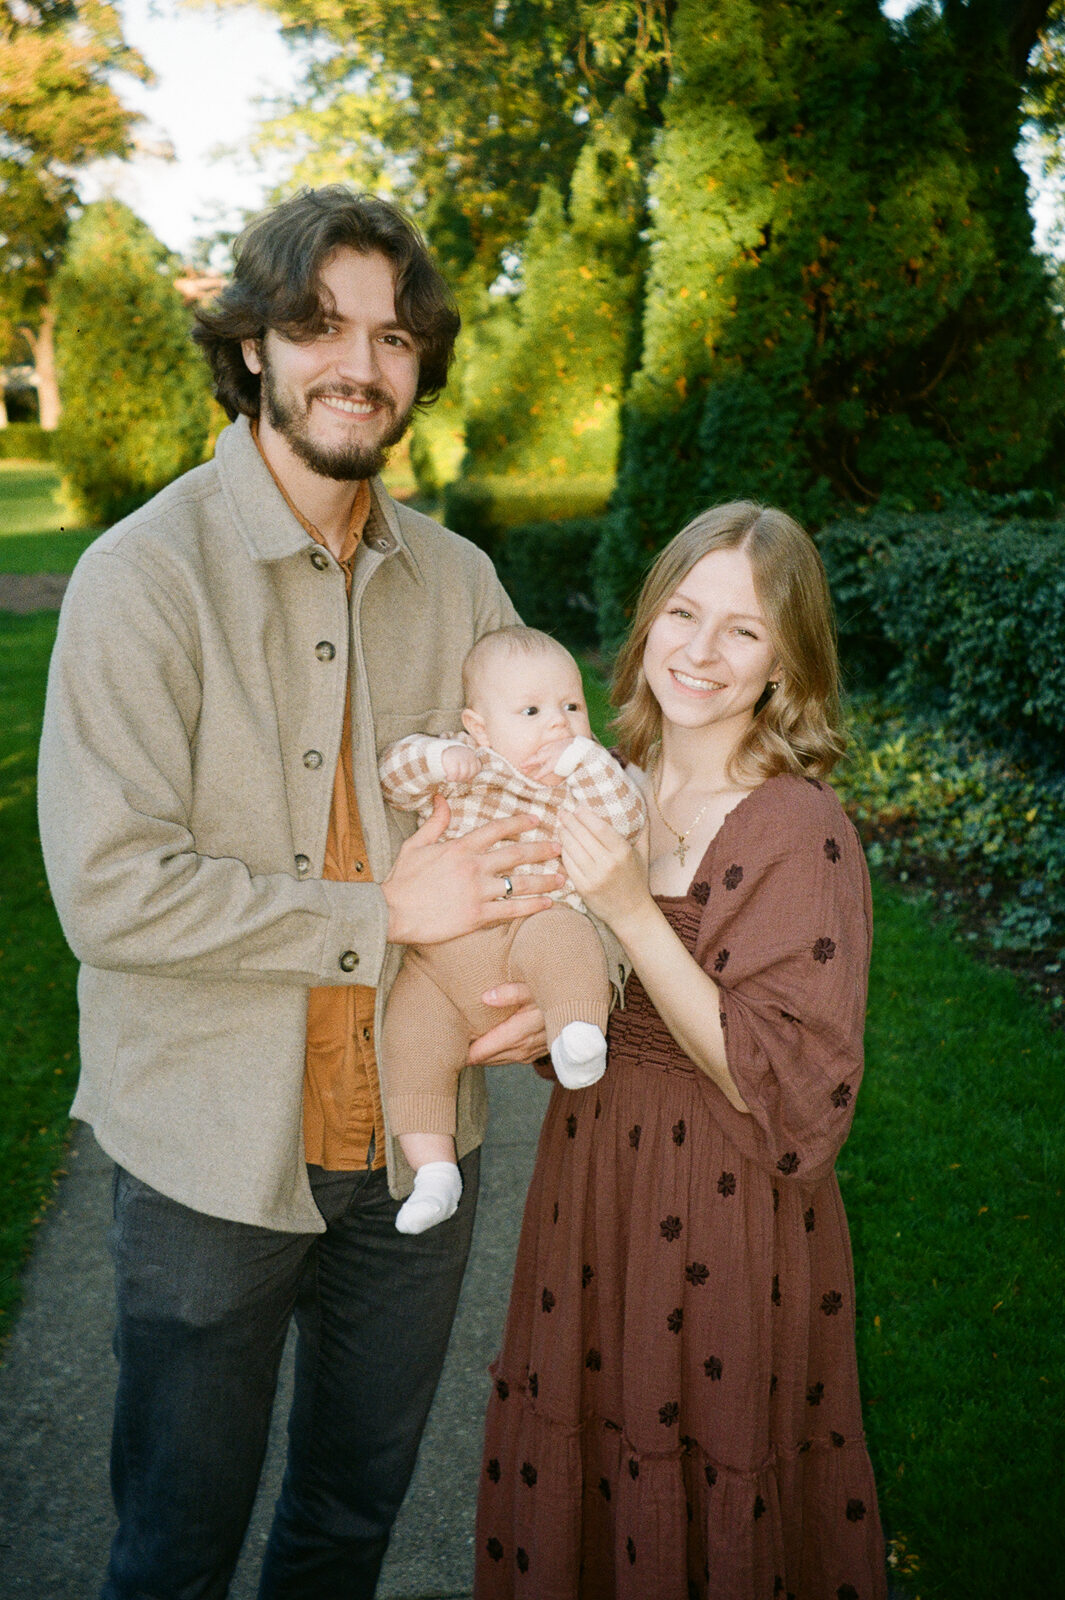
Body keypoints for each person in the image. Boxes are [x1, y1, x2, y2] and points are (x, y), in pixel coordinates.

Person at [36, 186, 589, 1600]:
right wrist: (376, 919)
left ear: (420, 367)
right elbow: (110, 892)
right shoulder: (141, 579)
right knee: (173, 1548)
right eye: (318, 326)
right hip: (209, 1161)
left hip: (414, 1160)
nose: (359, 363)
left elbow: (528, 806)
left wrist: (534, 988)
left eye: (394, 337)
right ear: (255, 351)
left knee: (347, 1529)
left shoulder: (460, 583)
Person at [475, 502, 888, 1599]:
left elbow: (794, 1104)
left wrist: (631, 906)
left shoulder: (800, 827)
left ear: (786, 660)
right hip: (592, 1186)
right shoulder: (608, 777)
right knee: (588, 1453)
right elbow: (581, 983)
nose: (701, 651)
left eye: (744, 631)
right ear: (647, 617)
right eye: (684, 612)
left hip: (723, 1208)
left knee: (700, 1466)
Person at [378, 626, 646, 1233]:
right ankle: (434, 1173)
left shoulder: (581, 783)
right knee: (410, 1042)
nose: (558, 724)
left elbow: (627, 815)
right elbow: (395, 773)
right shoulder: (464, 766)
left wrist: (584, 758)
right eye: (531, 711)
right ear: (479, 727)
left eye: (571, 707)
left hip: (529, 934)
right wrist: (441, 760)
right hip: (436, 968)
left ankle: (579, 1033)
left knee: (565, 937)